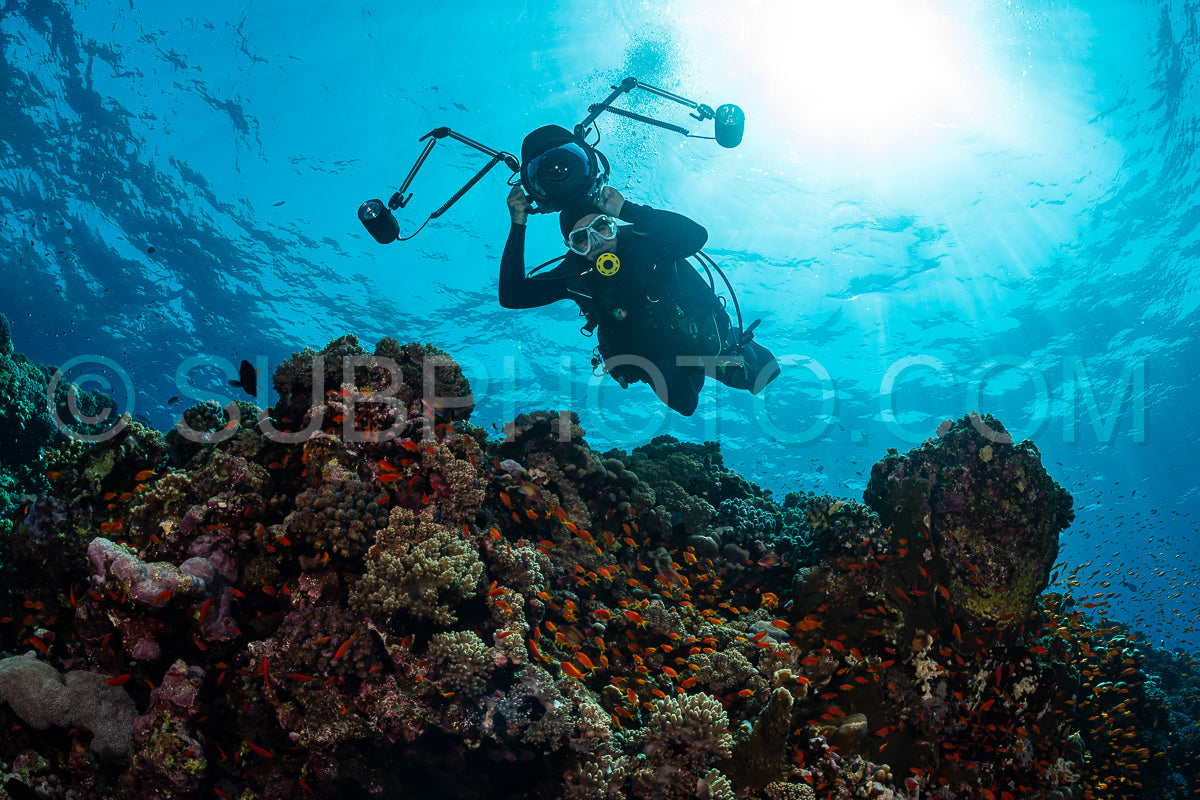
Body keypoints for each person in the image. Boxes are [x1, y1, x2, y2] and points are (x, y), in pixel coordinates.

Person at [499, 183, 780, 415]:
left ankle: (726, 350)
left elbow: (696, 236)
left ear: (613, 223)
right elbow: (512, 296)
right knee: (685, 404)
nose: (597, 244)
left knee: (757, 374)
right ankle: (693, 365)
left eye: (602, 228)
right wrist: (517, 224)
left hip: (696, 336)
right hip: (654, 357)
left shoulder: (646, 242)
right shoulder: (576, 275)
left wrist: (627, 210)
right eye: (582, 240)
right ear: (571, 247)